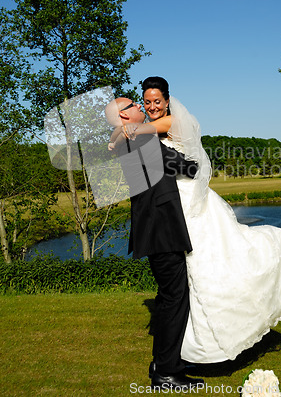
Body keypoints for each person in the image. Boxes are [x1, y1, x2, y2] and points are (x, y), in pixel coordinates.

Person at [116, 76, 281, 365]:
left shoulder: (170, 122)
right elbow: (142, 152)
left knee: (215, 263)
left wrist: (127, 130)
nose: (152, 106)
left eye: (156, 101)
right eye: (147, 101)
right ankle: (180, 349)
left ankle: (182, 350)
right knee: (190, 277)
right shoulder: (142, 135)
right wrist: (120, 134)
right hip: (172, 210)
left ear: (166, 101)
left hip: (187, 202)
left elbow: (164, 146)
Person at [105, 97, 204, 390]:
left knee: (167, 298)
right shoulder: (141, 142)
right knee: (175, 298)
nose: (140, 106)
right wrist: (196, 159)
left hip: (155, 230)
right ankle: (166, 373)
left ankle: (164, 362)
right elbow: (184, 168)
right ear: (124, 117)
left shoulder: (131, 140)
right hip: (162, 231)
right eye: (133, 105)